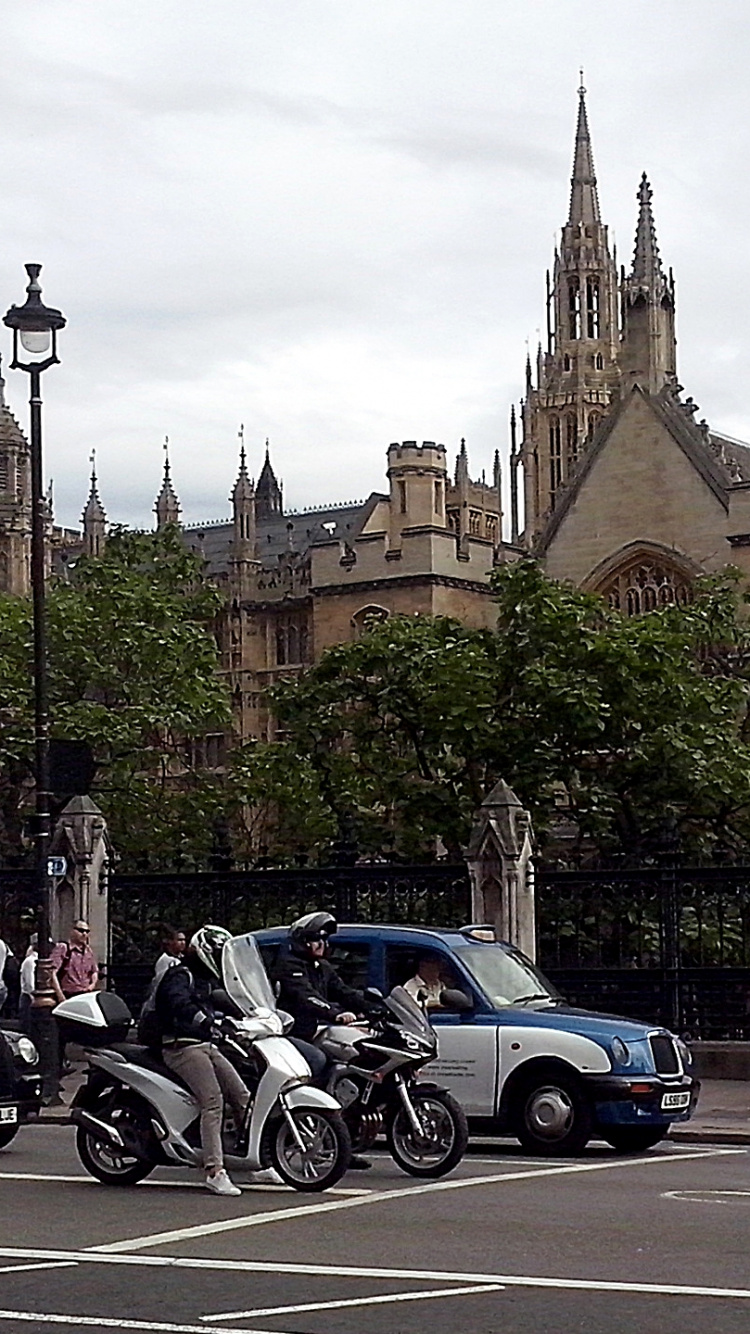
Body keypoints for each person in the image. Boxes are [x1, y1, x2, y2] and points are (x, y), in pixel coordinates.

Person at [155, 924, 253, 1197]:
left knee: (242, 1094)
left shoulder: (206, 980)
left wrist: (241, 1018)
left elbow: (220, 1002)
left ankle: (252, 1159)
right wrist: (203, 1020)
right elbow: (179, 1003)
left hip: (205, 1044)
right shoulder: (179, 974)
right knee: (213, 1101)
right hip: (181, 1046)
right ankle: (214, 1170)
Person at [274, 911, 372, 1169]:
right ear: (303, 941)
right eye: (317, 939)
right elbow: (306, 997)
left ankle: (343, 1141)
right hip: (286, 1036)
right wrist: (336, 1014)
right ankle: (316, 1125)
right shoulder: (289, 966)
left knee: (350, 1064)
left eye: (324, 939)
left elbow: (344, 991)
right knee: (320, 1061)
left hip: (311, 1033)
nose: (323, 945)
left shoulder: (322, 967)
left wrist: (376, 1007)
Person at [50, 921, 98, 1003]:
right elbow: (52, 972)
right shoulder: (63, 948)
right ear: (72, 931)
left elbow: (94, 971)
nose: (84, 934)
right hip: (69, 994)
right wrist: (60, 995)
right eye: (81, 930)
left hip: (86, 995)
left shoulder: (88, 951)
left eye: (87, 931)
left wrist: (92, 985)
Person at [19, 935, 38, 1034]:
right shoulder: (30, 961)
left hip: (33, 998)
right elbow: (30, 984)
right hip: (28, 998)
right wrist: (34, 999)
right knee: (27, 1027)